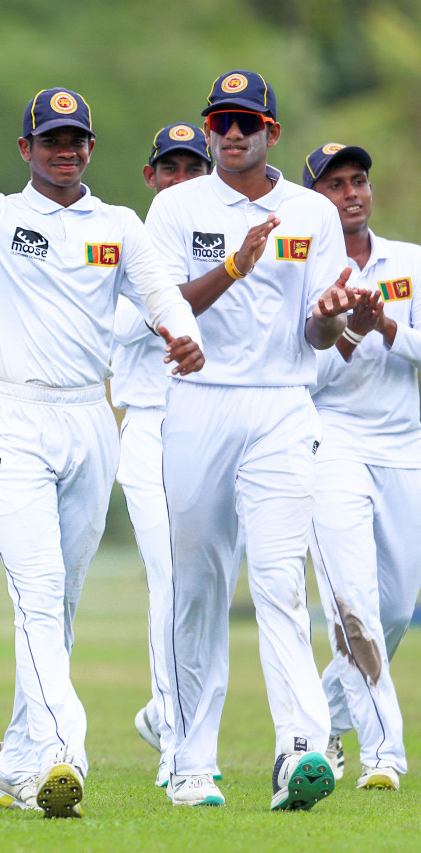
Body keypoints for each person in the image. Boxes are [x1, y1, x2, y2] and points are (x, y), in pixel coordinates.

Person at [0, 76, 203, 817]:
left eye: (76, 141)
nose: (66, 151)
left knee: (59, 604)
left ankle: (15, 766)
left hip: (90, 417)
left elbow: (160, 292)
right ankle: (63, 752)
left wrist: (182, 333)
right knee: (36, 590)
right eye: (52, 141)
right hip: (14, 417)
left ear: (91, 148)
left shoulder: (119, 224)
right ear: (26, 147)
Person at [143, 69, 367, 810]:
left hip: (281, 405)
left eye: (247, 122)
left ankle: (300, 749)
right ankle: (190, 761)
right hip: (200, 403)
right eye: (221, 122)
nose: (232, 133)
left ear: (271, 131)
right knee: (198, 585)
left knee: (279, 580)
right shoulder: (177, 206)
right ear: (209, 130)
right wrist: (235, 264)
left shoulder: (312, 211)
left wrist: (331, 317)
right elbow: (165, 303)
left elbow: (319, 330)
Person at [303, 142, 421, 793]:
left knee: (396, 608)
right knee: (353, 604)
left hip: (404, 450)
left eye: (358, 181)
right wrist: (347, 331)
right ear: (314, 200)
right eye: (336, 185)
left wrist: (388, 329)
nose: (351, 193)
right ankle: (383, 756)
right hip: (333, 447)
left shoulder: (410, 262)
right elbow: (300, 376)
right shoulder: (303, 271)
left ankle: (321, 721)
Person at [110, 123, 223, 788]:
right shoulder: (129, 242)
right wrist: (213, 280)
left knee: (206, 586)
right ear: (151, 176)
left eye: (193, 168)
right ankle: (178, 743)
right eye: (170, 168)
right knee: (172, 578)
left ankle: (165, 710)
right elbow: (127, 323)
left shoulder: (227, 239)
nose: (181, 179)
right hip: (151, 424)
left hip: (215, 426)